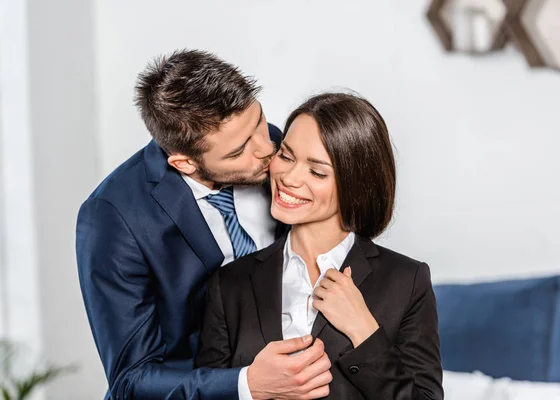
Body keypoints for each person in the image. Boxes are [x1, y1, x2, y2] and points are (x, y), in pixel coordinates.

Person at [76, 50, 332, 400]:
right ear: (185, 164)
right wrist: (247, 385)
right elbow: (131, 381)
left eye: (259, 122)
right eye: (239, 150)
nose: (268, 149)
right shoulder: (112, 216)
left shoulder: (266, 143)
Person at [197, 92, 444, 399]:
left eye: (316, 171)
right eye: (286, 156)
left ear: (355, 185)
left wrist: (364, 330)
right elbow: (206, 392)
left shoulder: (406, 282)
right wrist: (251, 386)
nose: (289, 177)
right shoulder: (230, 283)